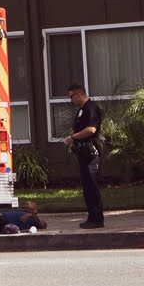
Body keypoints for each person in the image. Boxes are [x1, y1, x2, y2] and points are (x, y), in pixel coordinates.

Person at [63, 82, 105, 228]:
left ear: (79, 94)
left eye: (71, 97)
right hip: (83, 152)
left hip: (91, 153)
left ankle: (97, 219)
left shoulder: (91, 108)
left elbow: (91, 129)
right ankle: (91, 217)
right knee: (87, 187)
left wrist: (73, 137)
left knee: (92, 186)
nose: (71, 100)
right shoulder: (82, 110)